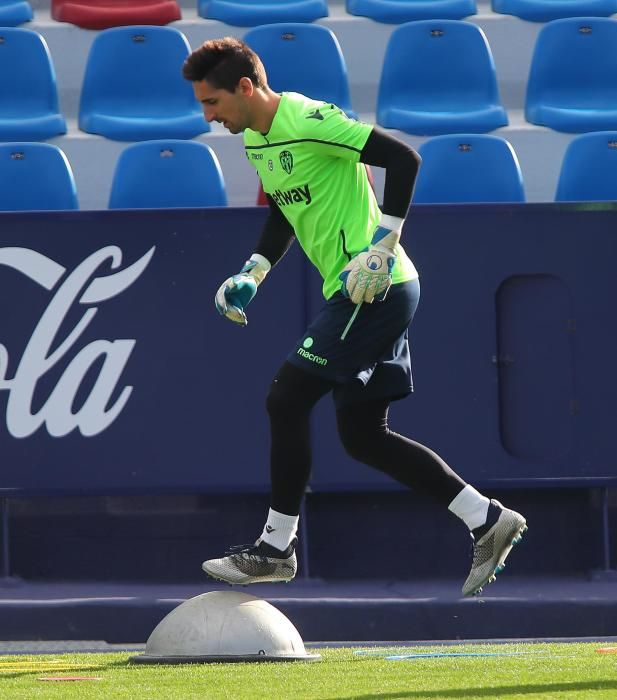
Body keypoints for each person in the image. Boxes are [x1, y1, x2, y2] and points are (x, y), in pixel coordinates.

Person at [182, 37, 527, 597]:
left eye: (212, 103)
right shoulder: (255, 138)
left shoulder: (310, 118)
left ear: (245, 88)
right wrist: (254, 271)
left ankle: (275, 548)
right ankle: (487, 519)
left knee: (285, 398)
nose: (209, 116)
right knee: (364, 437)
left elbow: (403, 157)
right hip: (367, 290)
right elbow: (285, 211)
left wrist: (383, 242)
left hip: (375, 288)